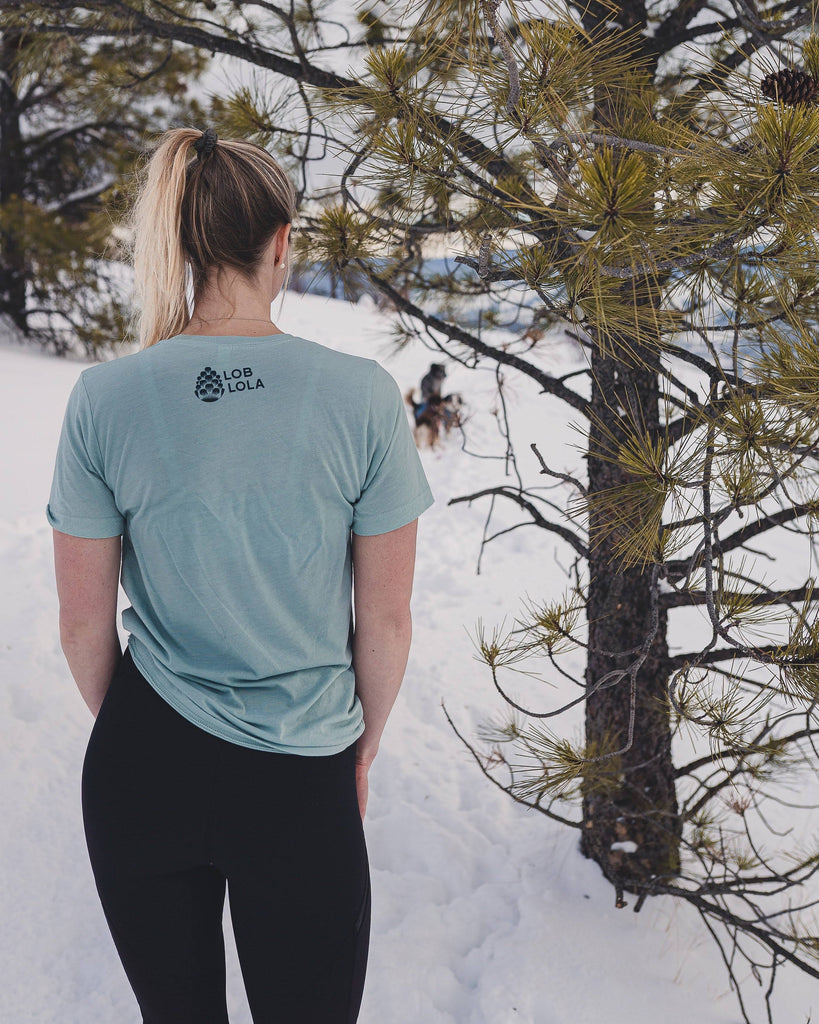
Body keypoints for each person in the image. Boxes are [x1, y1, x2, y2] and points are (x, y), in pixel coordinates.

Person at [46, 125, 434, 1024]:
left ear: (180, 240)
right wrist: (360, 751)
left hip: (142, 763)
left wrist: (152, 744)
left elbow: (80, 625)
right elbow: (386, 622)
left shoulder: (105, 398)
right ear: (281, 243)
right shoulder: (363, 396)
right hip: (300, 775)